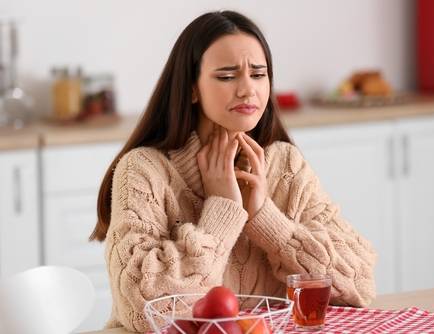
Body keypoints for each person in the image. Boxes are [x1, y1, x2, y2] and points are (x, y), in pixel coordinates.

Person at [89, 10, 376, 332]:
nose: (247, 90)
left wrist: (265, 216)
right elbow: (144, 312)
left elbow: (358, 284)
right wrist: (223, 209)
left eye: (258, 74)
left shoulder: (285, 165)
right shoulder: (144, 169)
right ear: (191, 88)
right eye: (227, 76)